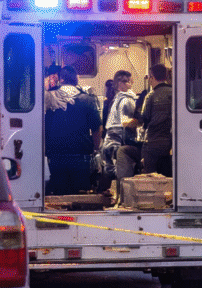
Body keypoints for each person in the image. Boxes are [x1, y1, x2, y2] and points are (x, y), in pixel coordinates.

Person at [44, 65, 102, 195]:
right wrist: (96, 149)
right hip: (81, 155)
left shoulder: (49, 97)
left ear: (61, 79)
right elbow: (97, 128)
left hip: (55, 155)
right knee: (80, 194)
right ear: (76, 79)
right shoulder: (88, 99)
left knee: (59, 194)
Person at [99, 70, 137, 194]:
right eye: (129, 82)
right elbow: (127, 123)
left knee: (108, 171)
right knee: (118, 173)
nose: (131, 84)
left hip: (109, 140)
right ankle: (119, 197)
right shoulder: (127, 100)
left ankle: (109, 195)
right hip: (118, 140)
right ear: (122, 83)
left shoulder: (116, 99)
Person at [139, 64, 173, 177]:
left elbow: (145, 118)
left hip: (153, 142)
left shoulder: (151, 96)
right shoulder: (175, 93)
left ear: (152, 78)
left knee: (151, 176)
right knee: (168, 174)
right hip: (170, 142)